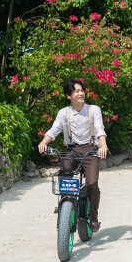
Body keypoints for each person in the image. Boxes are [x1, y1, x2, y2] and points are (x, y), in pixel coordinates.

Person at [38, 79, 109, 232]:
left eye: (82, 90)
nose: (81, 93)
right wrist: (44, 142)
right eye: (77, 91)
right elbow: (54, 130)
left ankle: (93, 217)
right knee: (64, 175)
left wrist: (103, 146)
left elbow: (99, 129)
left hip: (91, 150)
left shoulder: (93, 110)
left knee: (93, 185)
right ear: (68, 95)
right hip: (72, 150)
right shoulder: (64, 113)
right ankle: (65, 206)